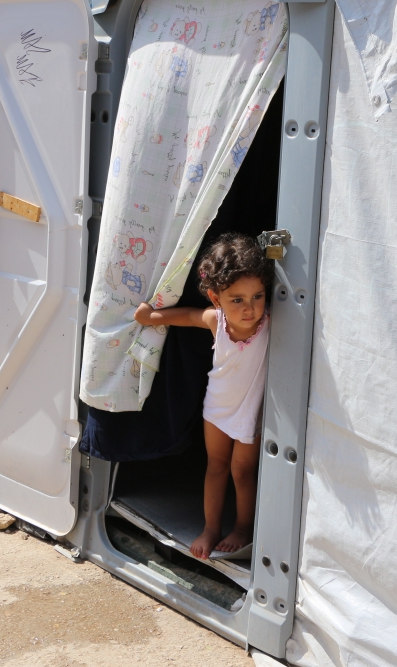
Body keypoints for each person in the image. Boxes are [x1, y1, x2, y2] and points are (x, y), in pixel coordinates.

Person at [134, 232, 272, 558]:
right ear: (216, 298)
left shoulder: (271, 323)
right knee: (216, 467)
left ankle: (243, 528)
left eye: (257, 296)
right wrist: (149, 316)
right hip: (217, 406)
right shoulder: (216, 320)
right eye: (237, 300)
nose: (249, 308)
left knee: (242, 471)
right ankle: (211, 528)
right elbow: (186, 316)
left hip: (250, 411)